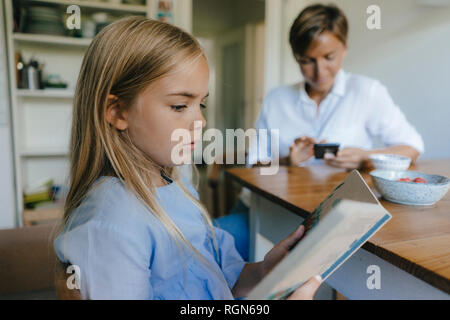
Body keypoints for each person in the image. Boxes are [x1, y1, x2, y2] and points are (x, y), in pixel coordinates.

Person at [52, 16, 321, 300]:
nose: (201, 121)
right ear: (118, 111)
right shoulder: (112, 227)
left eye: (200, 103)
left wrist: (265, 271)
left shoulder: (176, 189)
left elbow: (223, 279)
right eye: (180, 105)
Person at [216, 3, 424, 261]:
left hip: (336, 216)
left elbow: (412, 147)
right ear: (296, 56)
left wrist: (365, 156)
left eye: (328, 57)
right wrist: (287, 162)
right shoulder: (277, 99)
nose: (319, 71)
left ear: (344, 48)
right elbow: (253, 166)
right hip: (267, 209)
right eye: (308, 61)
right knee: (209, 251)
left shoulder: (367, 92)